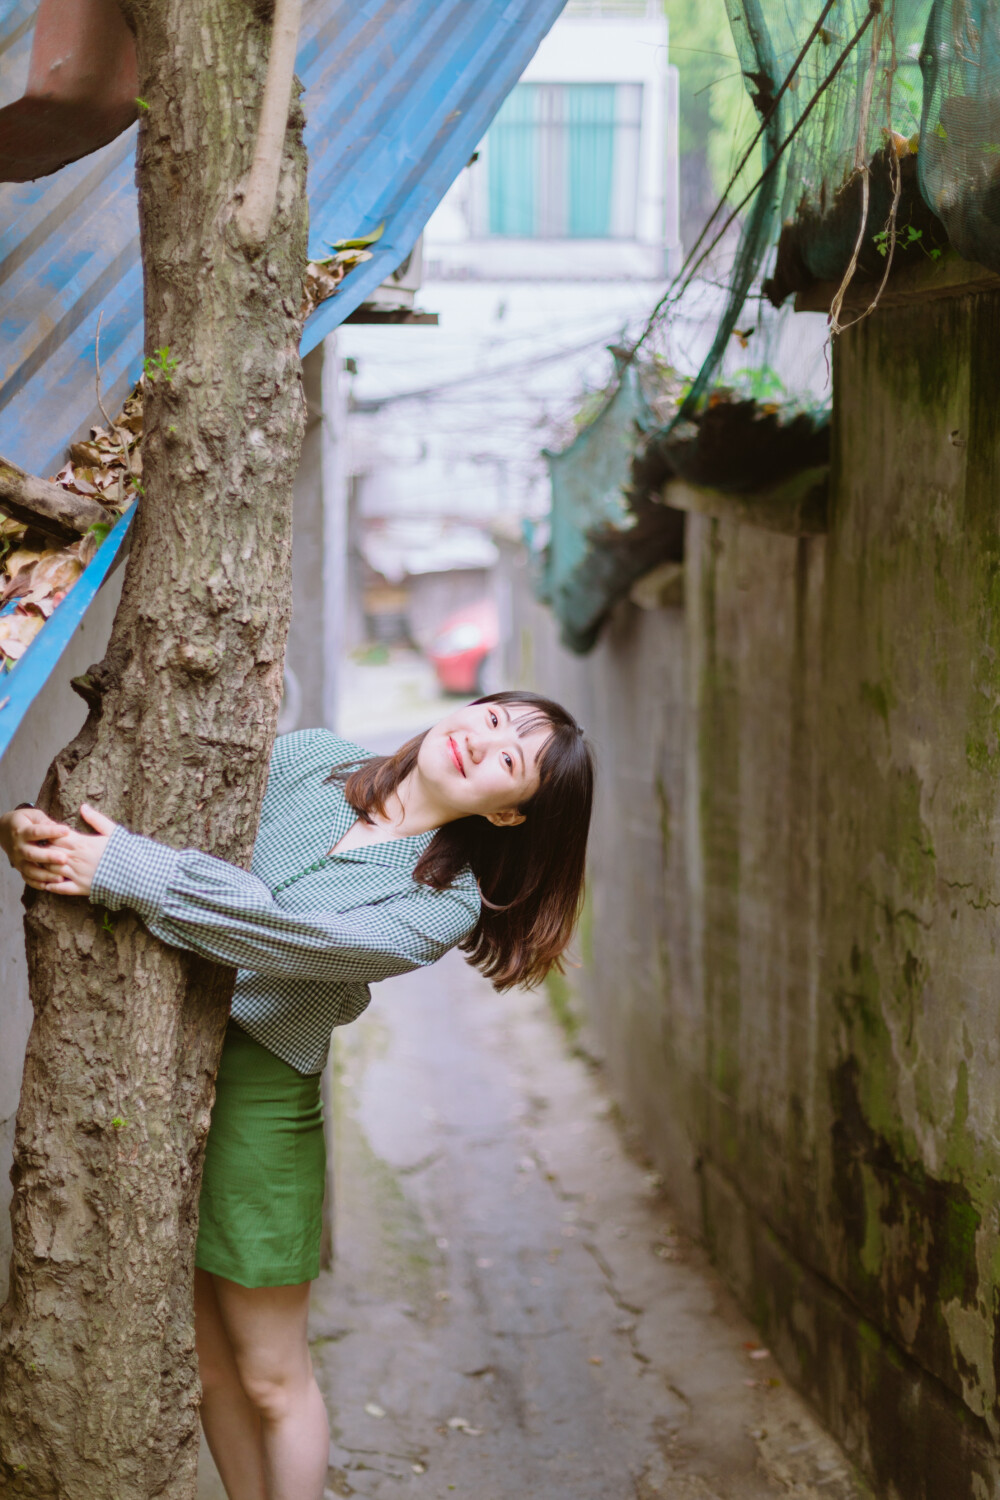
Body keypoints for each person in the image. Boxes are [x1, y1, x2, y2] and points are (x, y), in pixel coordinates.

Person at [0, 690, 594, 1500]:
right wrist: (44, 831)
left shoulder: (443, 904)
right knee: (207, 1365)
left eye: (510, 761)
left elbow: (287, 938)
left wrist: (124, 871)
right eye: (491, 718)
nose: (480, 743)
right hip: (157, 1059)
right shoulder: (313, 758)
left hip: (262, 1099)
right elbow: (164, 822)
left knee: (273, 1376)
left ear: (510, 816)